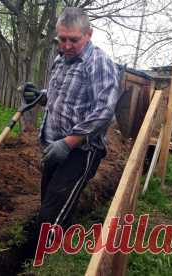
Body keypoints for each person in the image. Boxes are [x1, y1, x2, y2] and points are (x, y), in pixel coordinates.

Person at [23, 7, 121, 232]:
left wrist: (69, 142)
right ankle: (48, 246)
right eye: (62, 39)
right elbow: (60, 98)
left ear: (89, 34)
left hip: (80, 151)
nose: (66, 45)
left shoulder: (98, 63)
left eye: (73, 40)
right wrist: (40, 95)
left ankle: (47, 260)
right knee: (50, 202)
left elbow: (104, 111)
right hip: (53, 147)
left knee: (51, 214)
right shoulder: (61, 60)